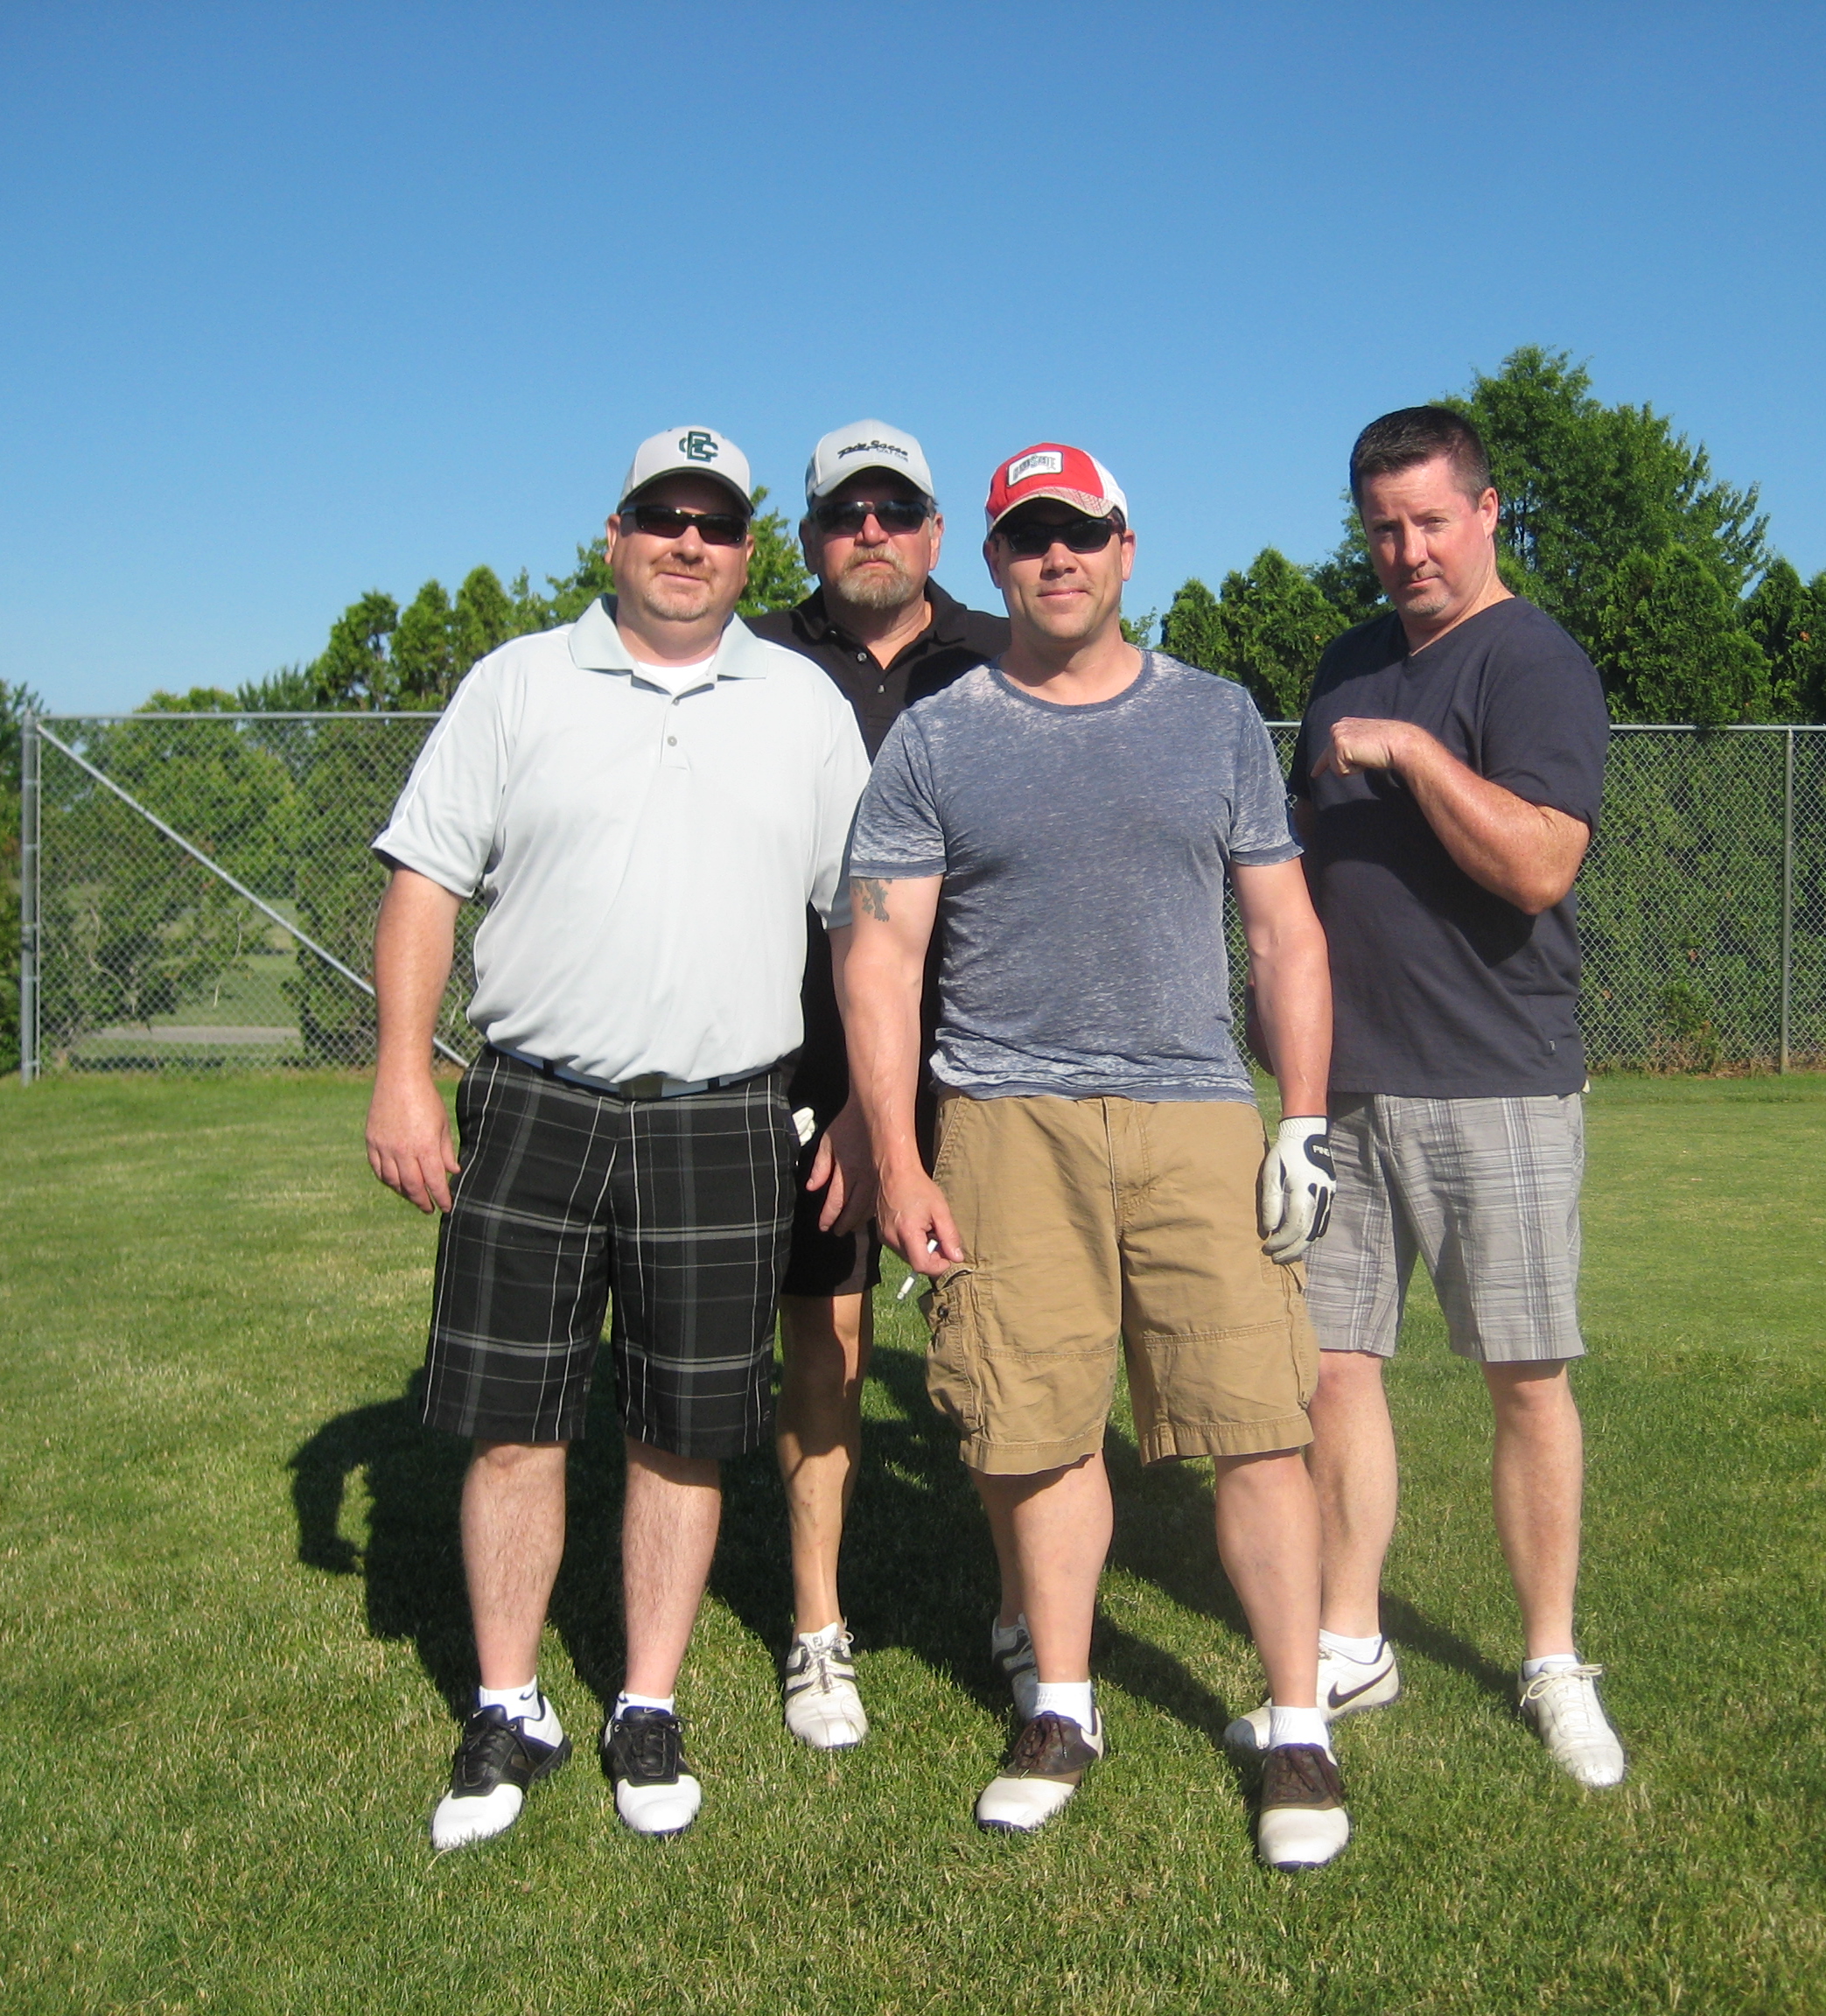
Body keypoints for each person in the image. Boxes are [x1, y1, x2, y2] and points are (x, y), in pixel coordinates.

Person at [840, 442, 1354, 1872]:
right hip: (1005, 1123)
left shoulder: (1217, 718)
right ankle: (1059, 1709)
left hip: (1196, 1116)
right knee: (1035, 1426)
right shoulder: (939, 737)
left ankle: (1297, 1723)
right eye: (1028, 537)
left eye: (1081, 533)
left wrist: (1304, 1121)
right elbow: (879, 957)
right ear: (992, 563)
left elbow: (1285, 933)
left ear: (1127, 549)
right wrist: (901, 1157)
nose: (1056, 558)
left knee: (1259, 1423)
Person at [363, 426, 871, 1850]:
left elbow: (868, 922)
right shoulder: (517, 682)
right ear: (615, 535)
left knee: (685, 1431)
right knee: (515, 1425)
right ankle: (508, 1702)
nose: (688, 543)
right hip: (535, 1104)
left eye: (716, 523)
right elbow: (423, 885)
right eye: (664, 517)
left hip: (726, 1118)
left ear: (749, 551)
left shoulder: (804, 705)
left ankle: (647, 1703)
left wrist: (869, 1109)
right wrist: (402, 1074)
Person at [1234, 402, 1627, 1788]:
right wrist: (1287, 1062)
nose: (1407, 551)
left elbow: (1540, 864)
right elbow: (1298, 879)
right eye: (1383, 528)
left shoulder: (1534, 662)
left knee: (1525, 1377)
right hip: (1341, 1090)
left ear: (1488, 512)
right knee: (1335, 1369)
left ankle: (1551, 1661)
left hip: (1495, 1084)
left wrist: (1409, 751)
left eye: (1431, 522)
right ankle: (1351, 1641)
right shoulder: (1345, 663)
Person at [745, 421, 1009, 1750]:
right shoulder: (755, 659)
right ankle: (818, 1628)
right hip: (802, 1049)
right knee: (829, 1338)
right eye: (847, 512)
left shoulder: (1002, 656)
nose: (871, 532)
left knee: (1008, 1337)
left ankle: (1029, 1610)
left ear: (934, 532)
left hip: (991, 1051)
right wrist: (858, 1092)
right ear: (808, 536)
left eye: (895, 510)